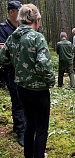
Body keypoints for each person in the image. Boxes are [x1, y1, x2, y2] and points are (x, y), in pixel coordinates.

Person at [0, 3, 55, 158]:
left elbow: (2, 58)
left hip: (21, 89)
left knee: (29, 125)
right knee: (41, 128)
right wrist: (50, 81)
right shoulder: (37, 38)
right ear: (36, 20)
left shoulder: (12, 37)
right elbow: (43, 65)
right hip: (39, 90)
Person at [0, 0, 25, 146]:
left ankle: (19, 126)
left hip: (25, 70)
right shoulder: (3, 28)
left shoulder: (22, 28)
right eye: (18, 10)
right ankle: (21, 132)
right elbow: (2, 49)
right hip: (11, 71)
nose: (21, 13)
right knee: (17, 101)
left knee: (25, 100)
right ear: (11, 12)